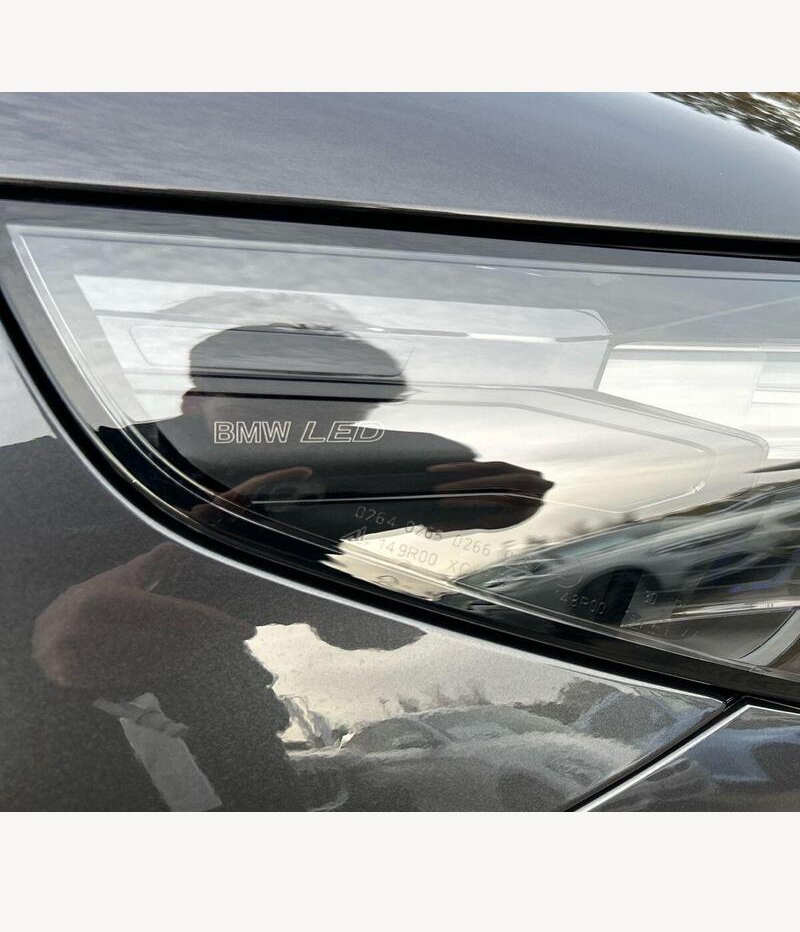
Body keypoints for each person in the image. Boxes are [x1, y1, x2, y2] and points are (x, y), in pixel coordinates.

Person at [26, 323, 552, 809]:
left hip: (237, 733)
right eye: (261, 410)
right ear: (193, 403)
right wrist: (45, 641)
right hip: (64, 757)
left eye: (335, 418)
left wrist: (438, 534)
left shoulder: (324, 492)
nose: (294, 432)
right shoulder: (49, 469)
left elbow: (359, 625)